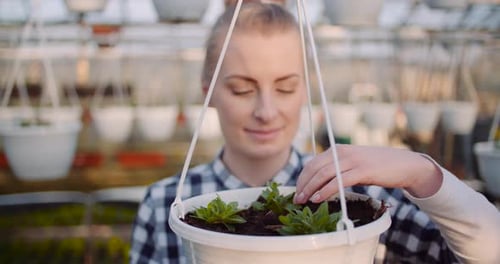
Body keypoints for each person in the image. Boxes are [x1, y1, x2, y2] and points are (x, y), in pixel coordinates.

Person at [130, 2, 500, 263]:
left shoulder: (354, 196)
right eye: (242, 89)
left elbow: (488, 253)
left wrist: (421, 173)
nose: (266, 111)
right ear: (208, 91)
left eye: (286, 88)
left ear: (306, 89)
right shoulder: (166, 204)